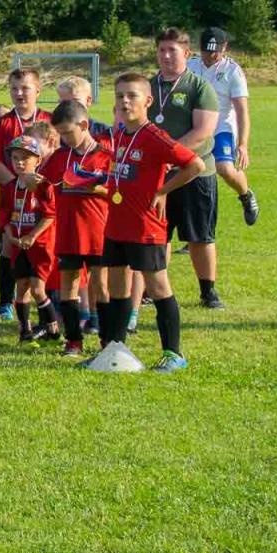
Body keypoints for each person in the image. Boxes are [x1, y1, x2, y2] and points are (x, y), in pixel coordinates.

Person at [98, 73, 205, 371]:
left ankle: (174, 354)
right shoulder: (119, 133)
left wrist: (162, 191)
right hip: (117, 223)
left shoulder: (154, 136)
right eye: (120, 96)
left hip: (146, 226)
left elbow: (195, 165)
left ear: (148, 100)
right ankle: (114, 350)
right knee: (117, 287)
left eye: (132, 96)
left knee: (157, 286)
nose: (124, 101)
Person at [151, 28, 224, 309]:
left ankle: (208, 291)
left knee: (199, 235)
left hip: (195, 172)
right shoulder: (147, 87)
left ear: (186, 53)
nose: (167, 56)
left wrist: (171, 154)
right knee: (158, 233)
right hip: (157, 174)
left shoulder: (199, 87)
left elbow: (203, 131)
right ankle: (154, 288)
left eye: (173, 50)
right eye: (162, 50)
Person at [45, 100, 114, 356]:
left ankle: (108, 340)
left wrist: (96, 188)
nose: (64, 138)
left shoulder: (106, 157)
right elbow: (46, 185)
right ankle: (73, 340)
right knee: (69, 284)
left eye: (67, 132)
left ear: (84, 125)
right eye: (60, 134)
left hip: (98, 231)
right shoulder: (60, 157)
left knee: (101, 285)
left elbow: (119, 194)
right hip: (68, 231)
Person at [0, 68, 45, 322]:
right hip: (13, 198)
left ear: (38, 90)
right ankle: (6, 301)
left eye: (25, 88)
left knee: (42, 247)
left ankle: (46, 298)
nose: (20, 93)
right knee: (9, 246)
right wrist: (16, 186)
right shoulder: (4, 123)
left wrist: (39, 187)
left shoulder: (48, 121)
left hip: (43, 198)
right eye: (14, 89)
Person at [189, 27, 260, 226]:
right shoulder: (190, 65)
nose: (210, 56)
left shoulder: (232, 71)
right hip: (197, 126)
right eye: (206, 50)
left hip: (221, 127)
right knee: (191, 173)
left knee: (225, 169)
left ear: (225, 47)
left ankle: (245, 195)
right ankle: (195, 232)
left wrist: (243, 144)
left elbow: (242, 110)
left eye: (215, 51)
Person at [0, 136, 61, 345]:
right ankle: (24, 330)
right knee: (22, 286)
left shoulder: (43, 186)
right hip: (19, 246)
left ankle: (53, 327)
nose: (20, 162)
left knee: (37, 288)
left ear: (38, 160)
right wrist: (10, 237)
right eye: (16, 158)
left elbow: (50, 215)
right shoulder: (9, 187)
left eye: (26, 158)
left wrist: (32, 236)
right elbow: (4, 217)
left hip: (40, 245)